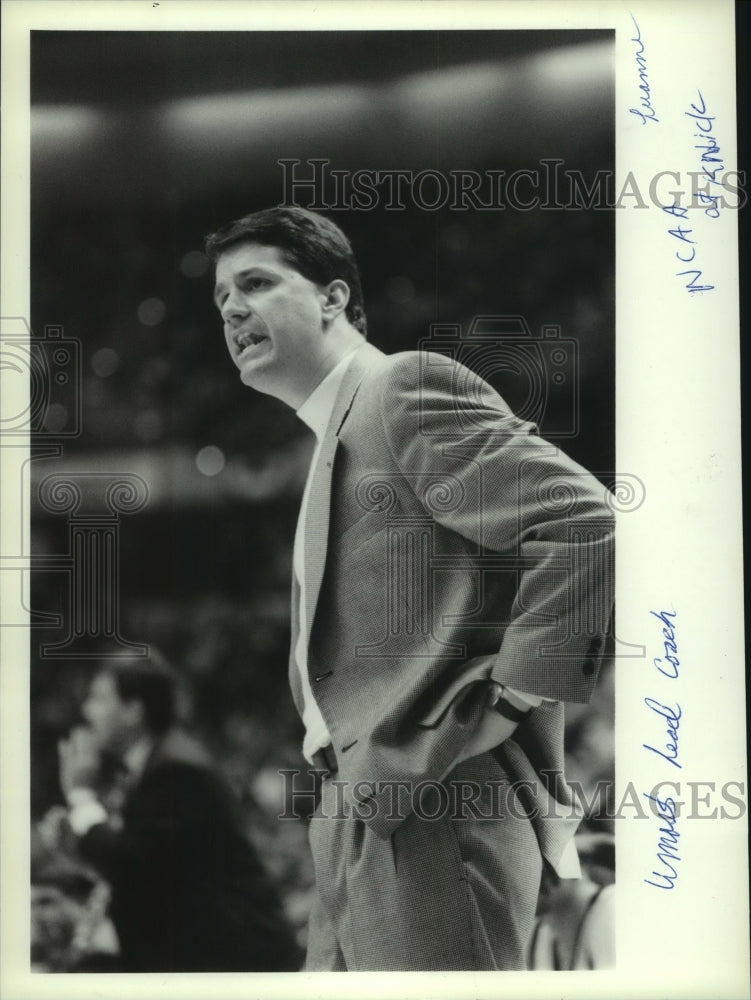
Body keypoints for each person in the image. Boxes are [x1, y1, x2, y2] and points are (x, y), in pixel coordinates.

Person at [205, 206, 615, 971]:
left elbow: (584, 521)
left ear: (332, 297)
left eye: (255, 283)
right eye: (221, 295)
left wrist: (508, 702)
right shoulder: (339, 431)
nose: (230, 308)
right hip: (364, 805)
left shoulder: (400, 387)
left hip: (430, 797)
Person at [57, 653, 301, 971]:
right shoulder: (157, 764)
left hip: (233, 960)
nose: (87, 711)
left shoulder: (175, 771)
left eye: (100, 699)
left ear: (134, 710)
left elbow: (134, 868)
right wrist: (81, 847)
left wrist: (80, 795)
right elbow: (158, 869)